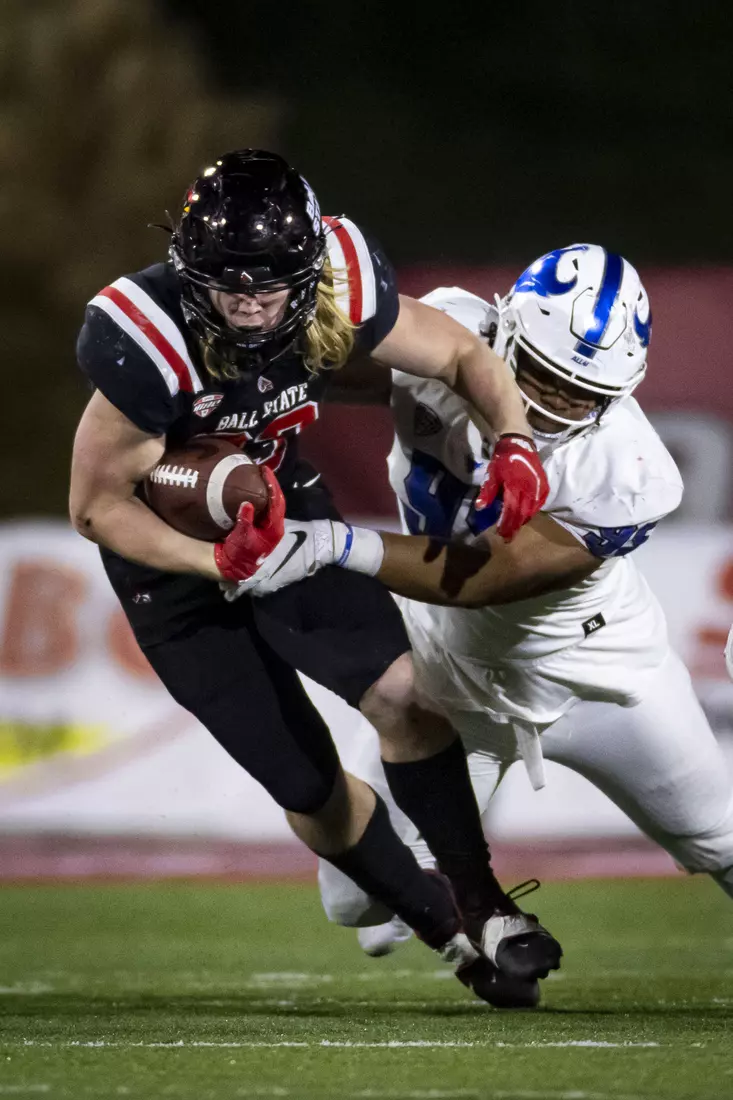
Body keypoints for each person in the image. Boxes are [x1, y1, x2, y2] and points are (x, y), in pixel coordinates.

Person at [69, 149, 561, 1005]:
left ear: (308, 268)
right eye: (229, 284)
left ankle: (483, 905)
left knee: (407, 694)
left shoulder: (341, 283)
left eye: (271, 283)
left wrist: (514, 439)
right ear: (190, 270)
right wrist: (207, 557)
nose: (252, 302)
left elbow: (458, 355)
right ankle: (448, 932)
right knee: (308, 788)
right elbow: (97, 506)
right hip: (169, 566)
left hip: (285, 511)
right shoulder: (143, 338)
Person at [235, 243, 733, 961]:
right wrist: (274, 338)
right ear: (502, 334)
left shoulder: (630, 469)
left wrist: (335, 546)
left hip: (598, 675)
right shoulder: (449, 333)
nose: (556, 405)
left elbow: (483, 576)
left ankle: (460, 897)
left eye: (582, 393)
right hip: (451, 671)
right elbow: (327, 369)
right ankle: (457, 901)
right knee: (353, 900)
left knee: (717, 836)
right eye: (541, 375)